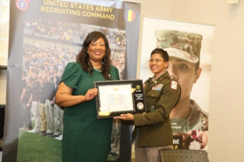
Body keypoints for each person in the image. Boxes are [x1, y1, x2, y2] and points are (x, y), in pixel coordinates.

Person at [55, 31, 120, 162]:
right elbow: (60, 98)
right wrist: (83, 98)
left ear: (106, 49)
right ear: (86, 48)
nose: (98, 47)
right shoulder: (76, 68)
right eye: (94, 44)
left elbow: (116, 99)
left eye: (102, 44)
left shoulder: (113, 71)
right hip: (79, 130)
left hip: (102, 130)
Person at [115, 48, 181, 162]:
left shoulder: (170, 84)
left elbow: (161, 114)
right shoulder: (147, 83)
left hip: (157, 139)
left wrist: (134, 118)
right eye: (151, 60)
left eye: (157, 60)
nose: (153, 63)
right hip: (141, 137)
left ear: (166, 64)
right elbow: (138, 106)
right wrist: (133, 91)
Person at [155, 30, 209, 149]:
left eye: (182, 66)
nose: (171, 75)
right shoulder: (137, 121)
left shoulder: (211, 128)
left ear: (196, 75)